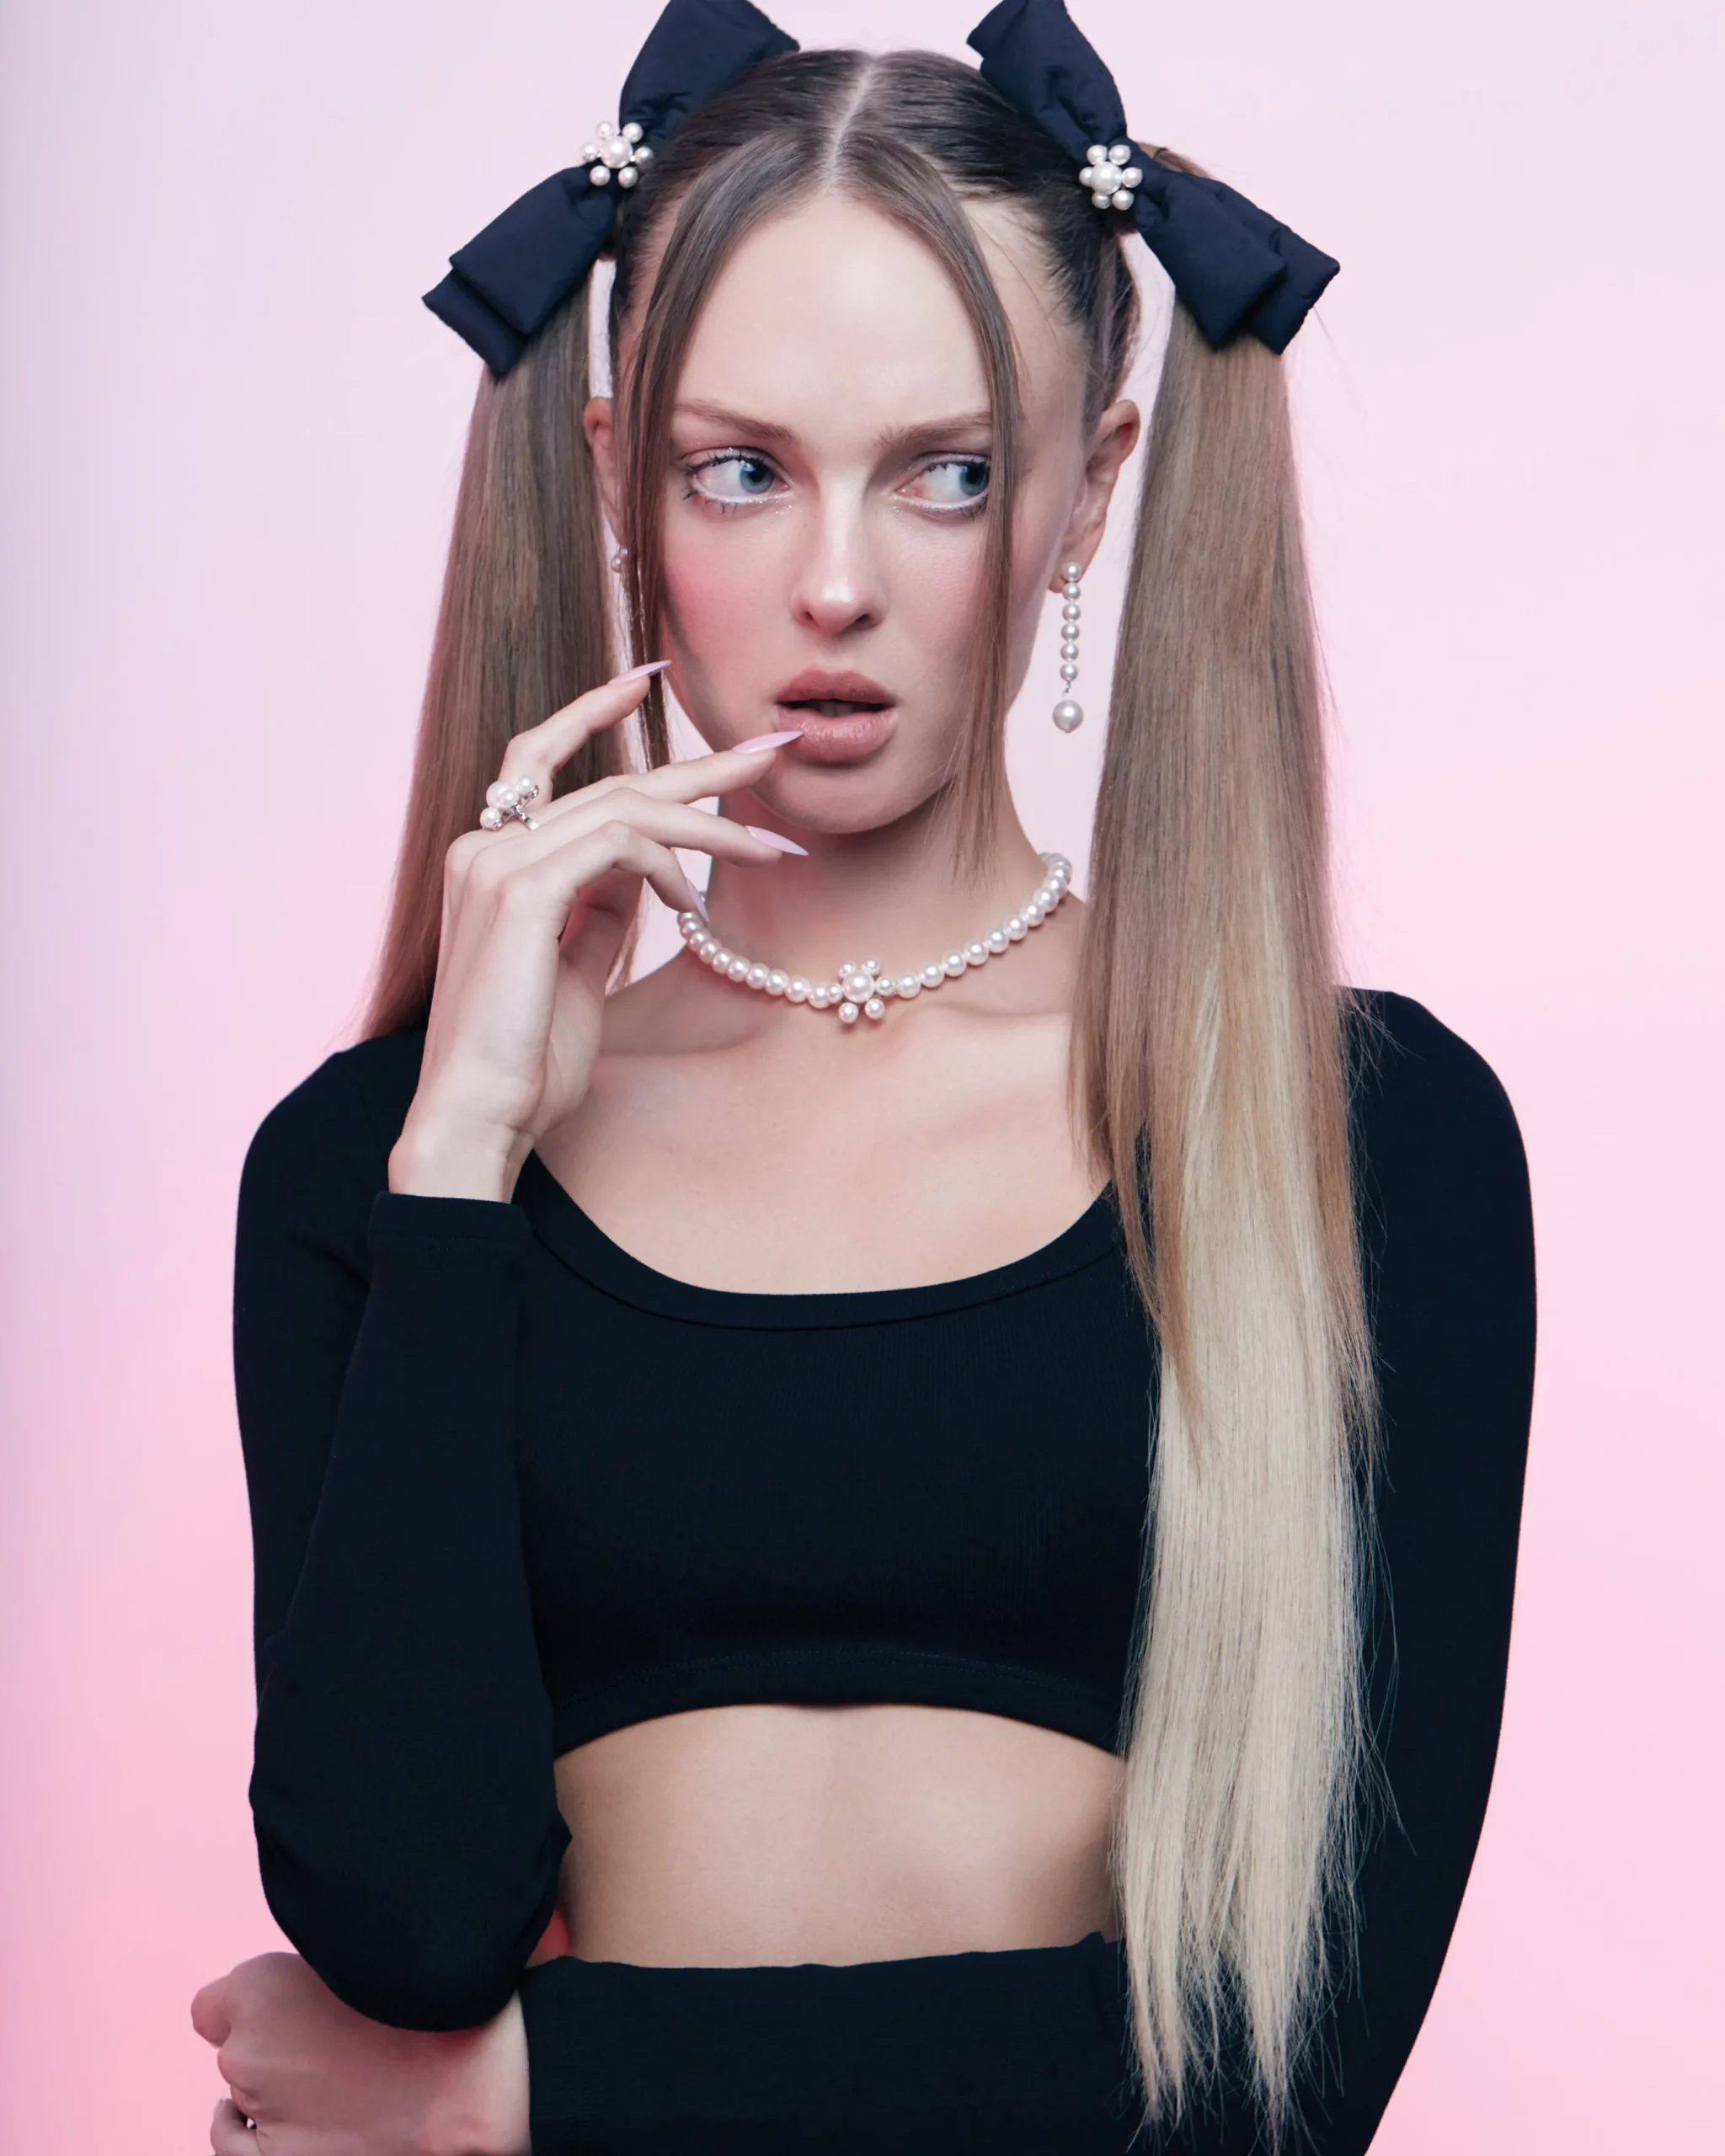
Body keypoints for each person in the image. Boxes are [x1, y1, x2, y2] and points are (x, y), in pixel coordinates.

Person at [191, 3, 1536, 2150]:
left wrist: (521, 2097)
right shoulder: (373, 1165)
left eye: (947, 471)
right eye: (741, 468)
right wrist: (456, 1159)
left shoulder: (1362, 1144)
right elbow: (402, 1918)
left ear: (1091, 486)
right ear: (617, 472)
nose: (834, 584)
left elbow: (1292, 2065)